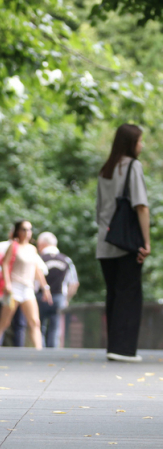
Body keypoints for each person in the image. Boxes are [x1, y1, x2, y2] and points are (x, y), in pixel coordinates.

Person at [96, 124, 150, 363]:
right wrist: (145, 242)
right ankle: (124, 349)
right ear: (131, 143)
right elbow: (141, 206)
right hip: (127, 243)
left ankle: (113, 347)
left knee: (114, 294)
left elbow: (99, 211)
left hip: (105, 242)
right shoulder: (133, 166)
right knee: (130, 294)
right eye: (139, 141)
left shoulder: (105, 170)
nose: (141, 146)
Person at [0, 221, 50, 349]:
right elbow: (5, 264)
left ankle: (38, 349)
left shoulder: (32, 249)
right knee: (4, 321)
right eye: (24, 229)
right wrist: (7, 283)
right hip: (15, 287)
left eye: (29, 229)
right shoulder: (13, 246)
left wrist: (45, 287)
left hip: (28, 288)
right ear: (18, 231)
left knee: (35, 321)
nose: (27, 232)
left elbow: (36, 269)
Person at [36, 232, 79, 348]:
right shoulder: (66, 260)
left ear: (42, 244)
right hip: (59, 298)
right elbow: (74, 283)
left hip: (40, 297)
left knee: (39, 327)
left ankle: (40, 350)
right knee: (55, 328)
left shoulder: (39, 259)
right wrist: (67, 299)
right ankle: (52, 352)